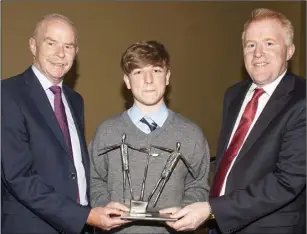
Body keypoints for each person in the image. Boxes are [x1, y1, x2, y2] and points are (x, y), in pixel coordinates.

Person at [160, 8, 306, 234]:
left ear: (289, 51)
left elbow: (287, 181)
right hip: (221, 225)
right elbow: (231, 161)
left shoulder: (302, 101)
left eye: (269, 43)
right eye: (250, 45)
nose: (258, 53)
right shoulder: (234, 94)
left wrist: (212, 210)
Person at [1, 13, 129, 234]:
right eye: (51, 43)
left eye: (68, 46)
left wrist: (96, 206)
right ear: (33, 46)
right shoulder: (8, 94)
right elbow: (19, 177)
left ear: (76, 53)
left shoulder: (75, 100)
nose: (60, 54)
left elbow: (73, 167)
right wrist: (85, 216)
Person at [89, 40, 210, 233]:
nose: (148, 80)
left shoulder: (191, 133)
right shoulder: (106, 132)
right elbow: (94, 178)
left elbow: (198, 184)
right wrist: (104, 205)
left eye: (156, 71)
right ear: (127, 81)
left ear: (167, 77)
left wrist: (185, 210)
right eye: (138, 72)